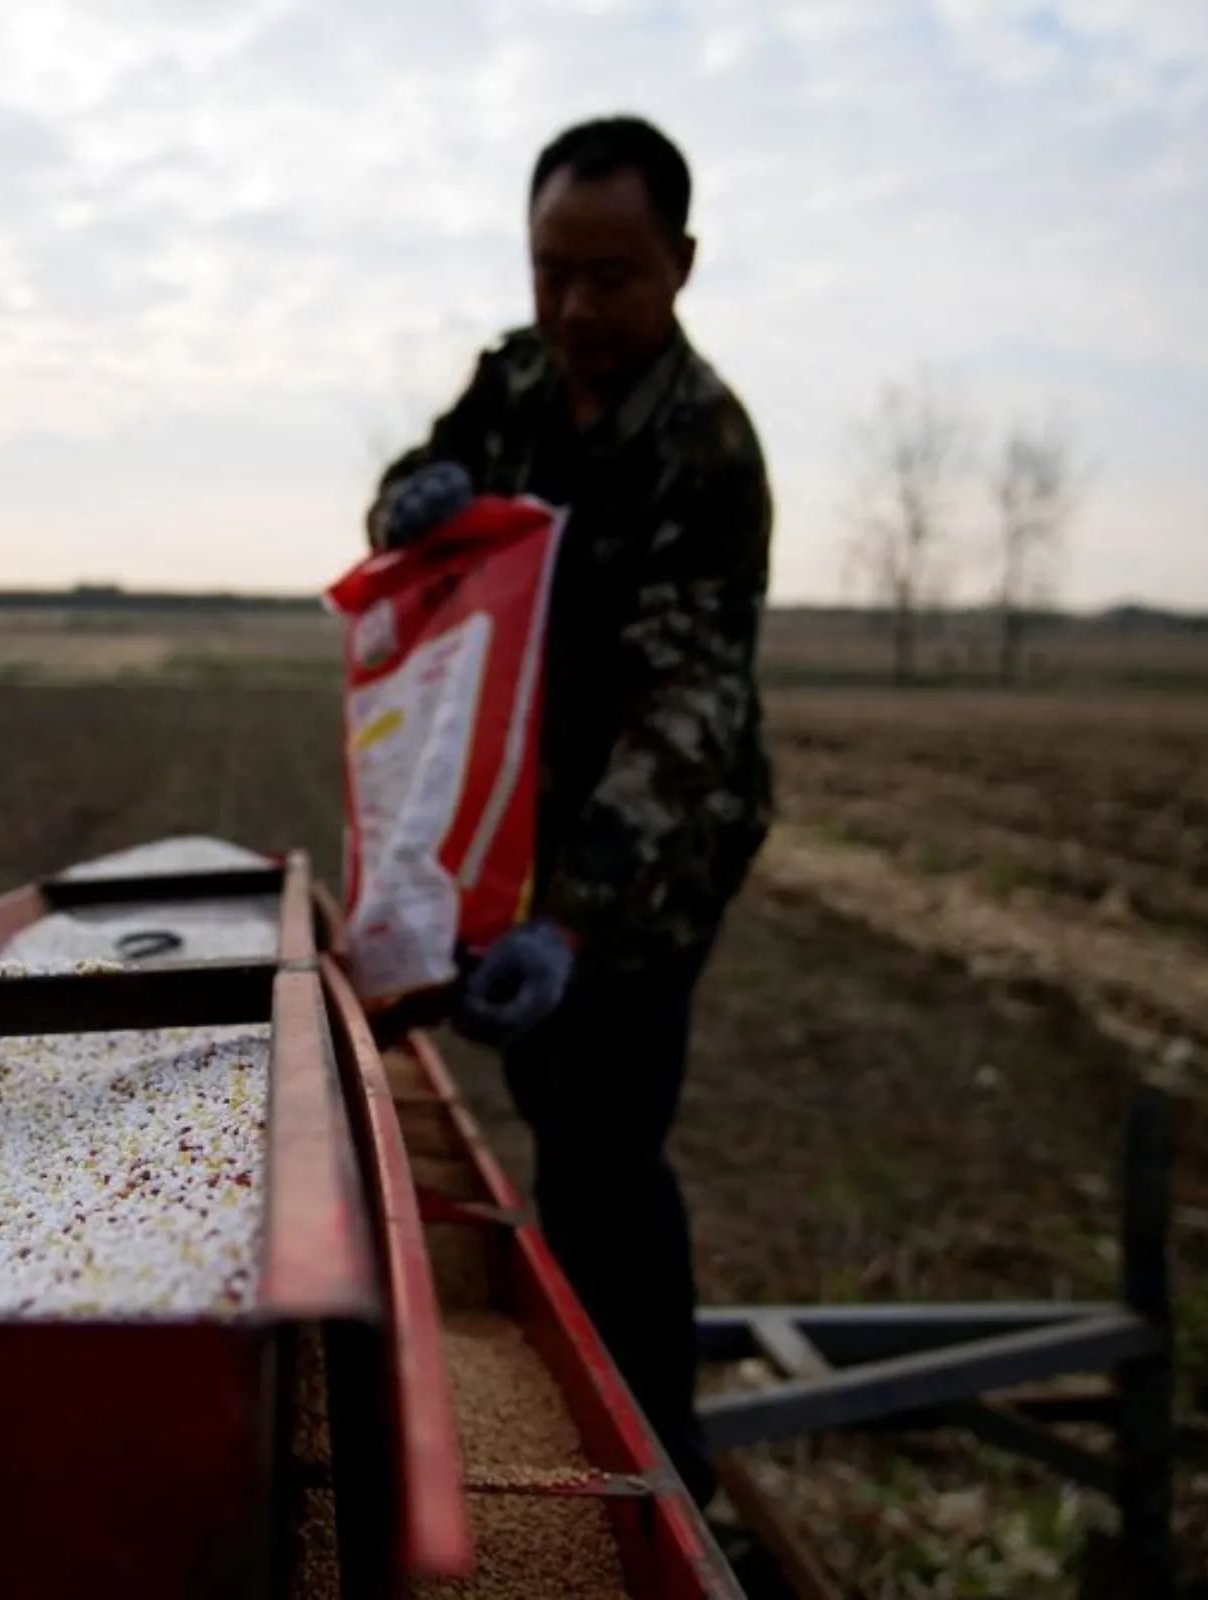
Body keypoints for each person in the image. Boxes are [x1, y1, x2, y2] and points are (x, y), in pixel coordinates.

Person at [364, 114, 775, 1508]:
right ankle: (590, 1377)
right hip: (521, 820)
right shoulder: (518, 383)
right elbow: (411, 510)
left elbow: (684, 719)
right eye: (553, 274)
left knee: (607, 1140)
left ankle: (665, 1457)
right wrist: (404, 508)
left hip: (647, 858)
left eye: (613, 278)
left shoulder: (708, 453)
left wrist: (575, 924)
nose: (578, 310)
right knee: (550, 1100)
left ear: (682, 267)